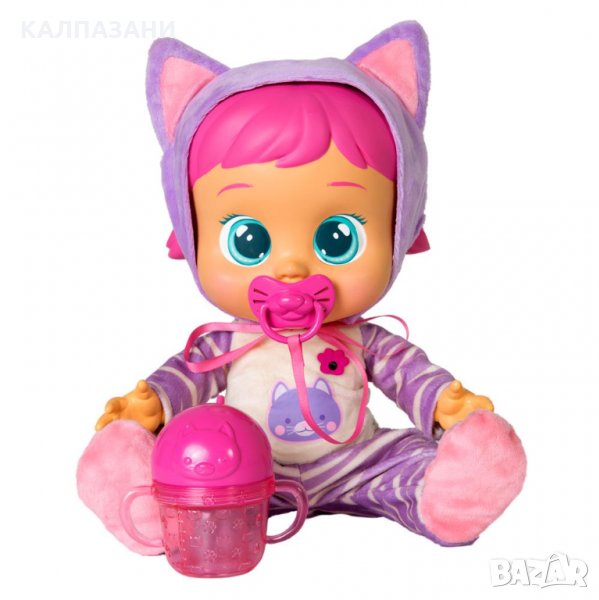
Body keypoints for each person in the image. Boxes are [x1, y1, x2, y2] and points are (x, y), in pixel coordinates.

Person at [79, 21, 526, 554]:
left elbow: (409, 375)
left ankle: (452, 494)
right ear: (189, 236)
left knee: (413, 461)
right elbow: (188, 376)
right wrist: (152, 404)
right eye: (249, 240)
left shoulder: (365, 341)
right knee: (183, 464)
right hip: (240, 475)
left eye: (338, 238)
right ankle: (150, 504)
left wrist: (445, 406)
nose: (291, 267)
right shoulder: (225, 343)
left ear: (401, 229)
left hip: (359, 464)